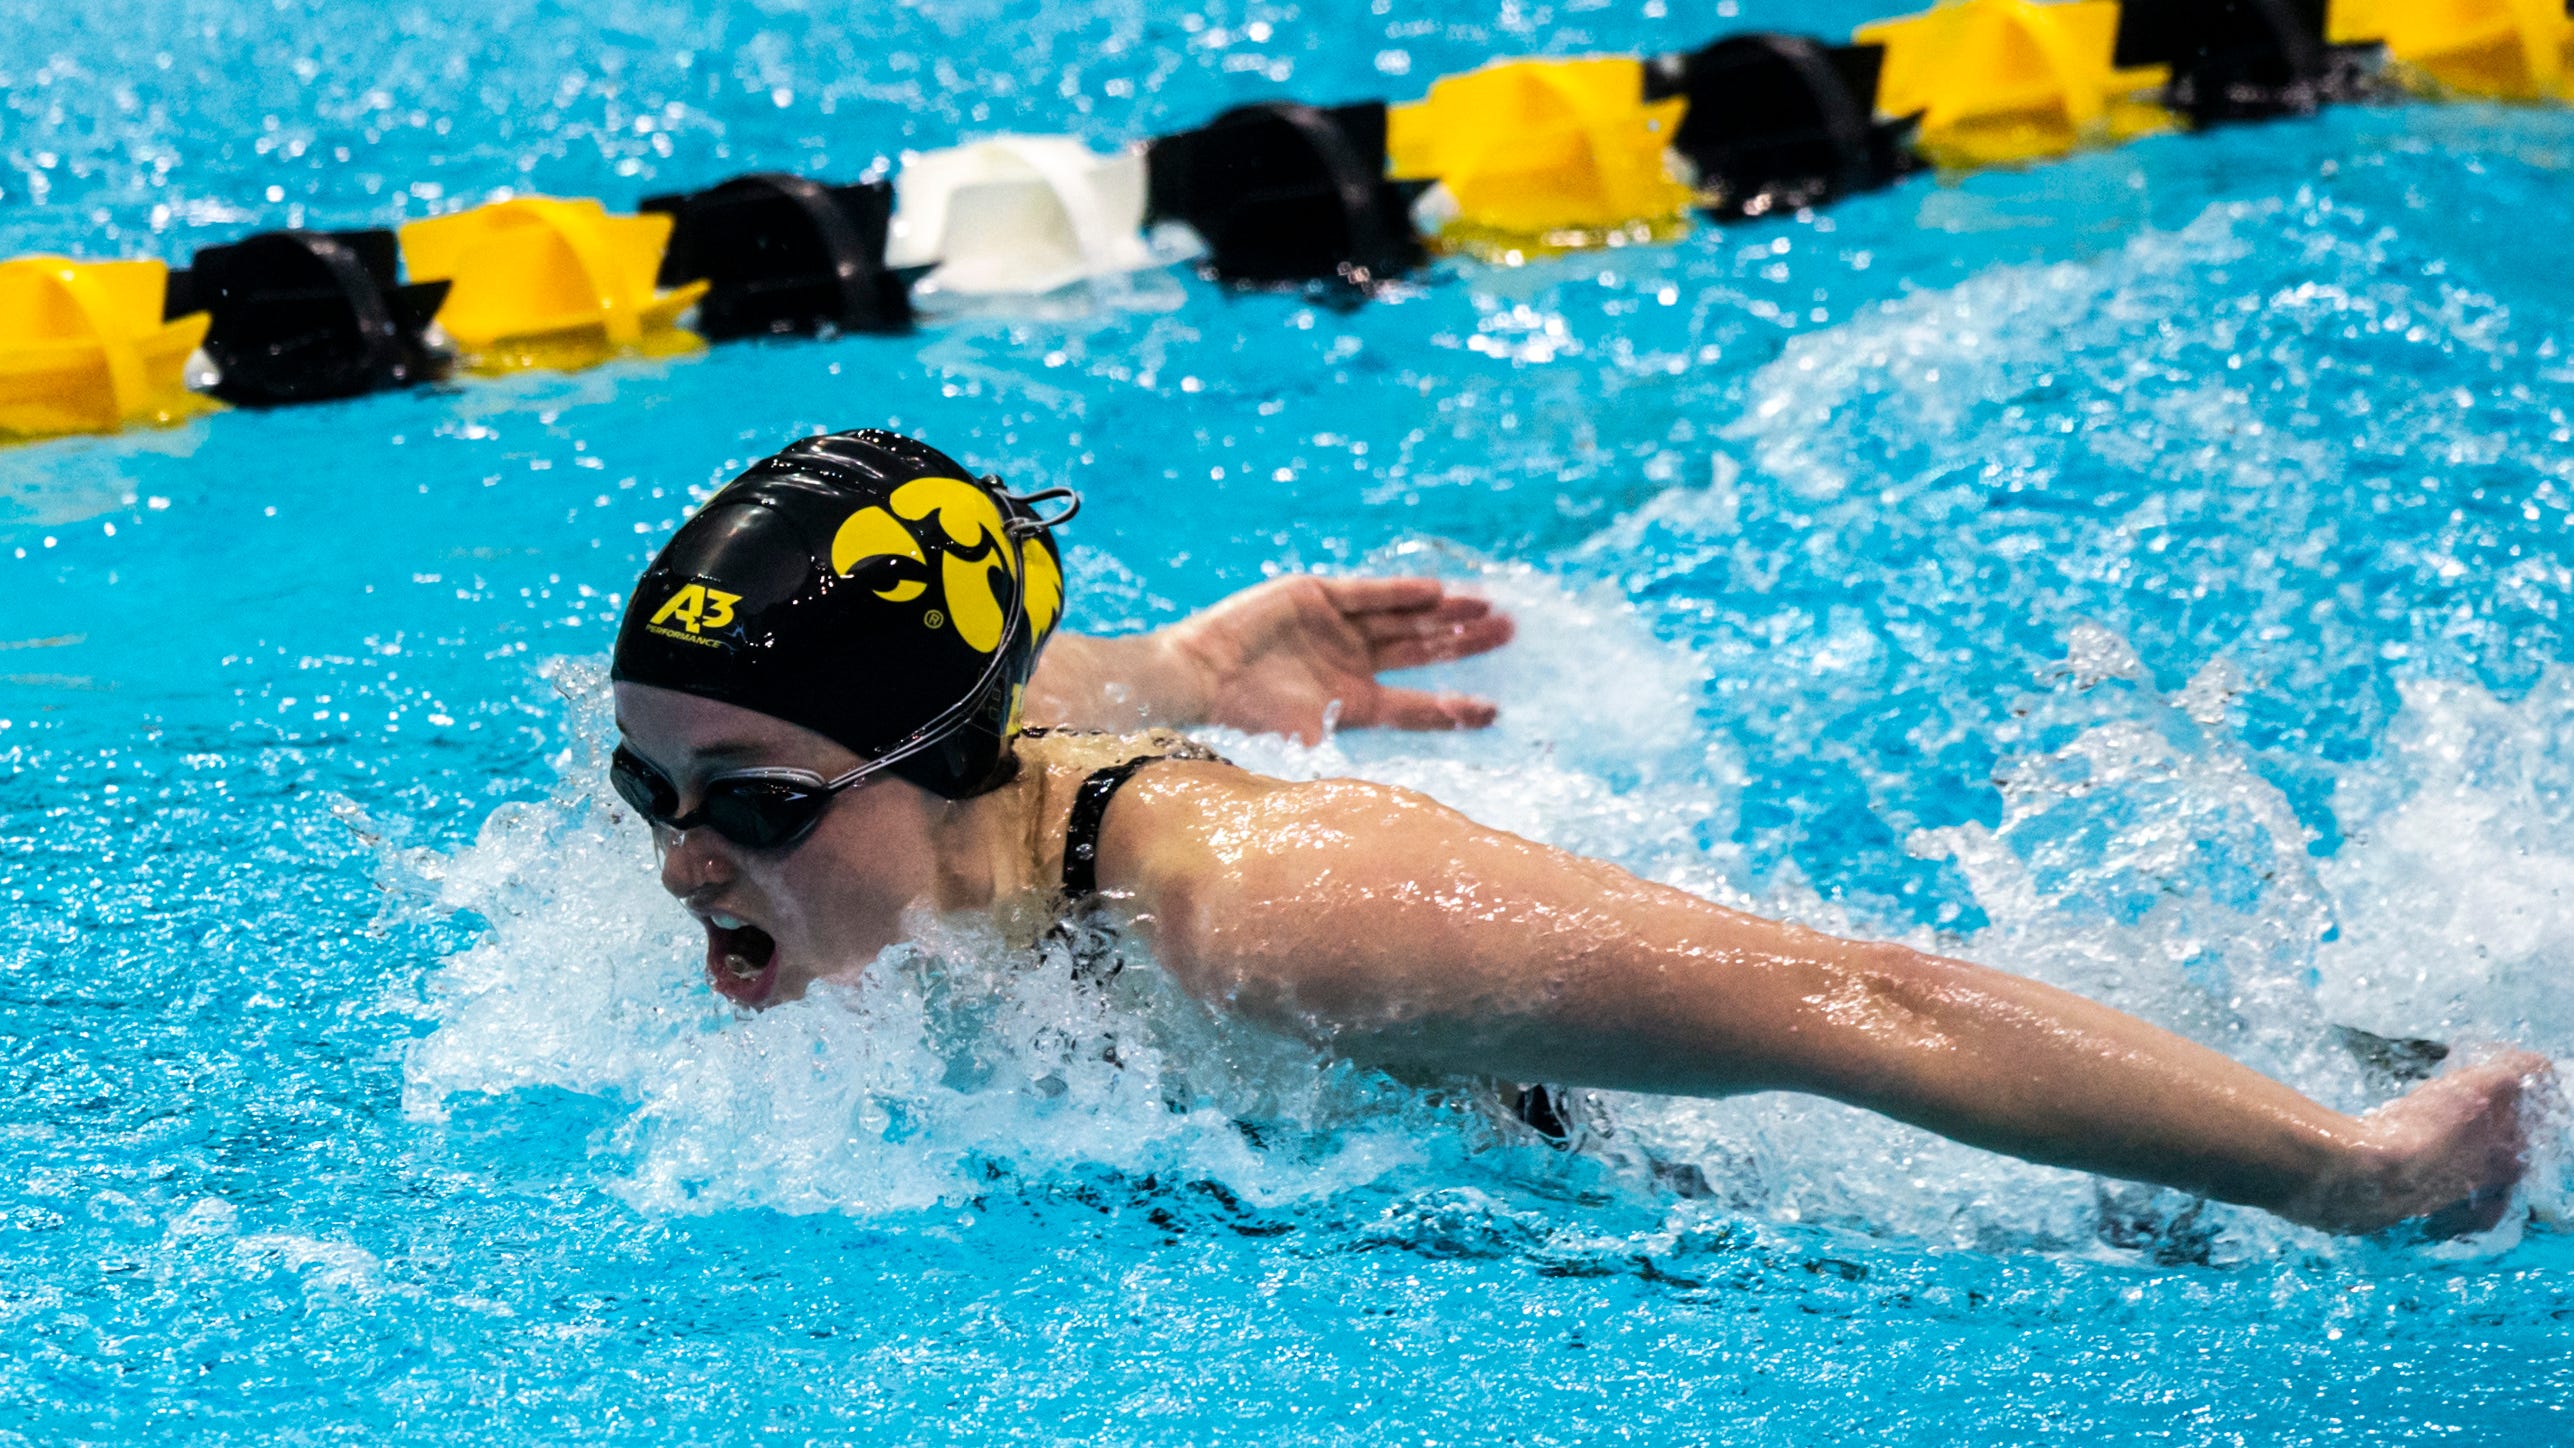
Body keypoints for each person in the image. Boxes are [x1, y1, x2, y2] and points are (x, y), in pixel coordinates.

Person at [607, 429, 2551, 1238]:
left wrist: (2339, 1171)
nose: (683, 856)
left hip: (1869, 1188)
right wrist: (1197, 658)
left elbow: (1851, 1000)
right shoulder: (907, 780)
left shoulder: (1282, 915)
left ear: (937, 760)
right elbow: (1017, 669)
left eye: (753, 808)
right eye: (653, 792)